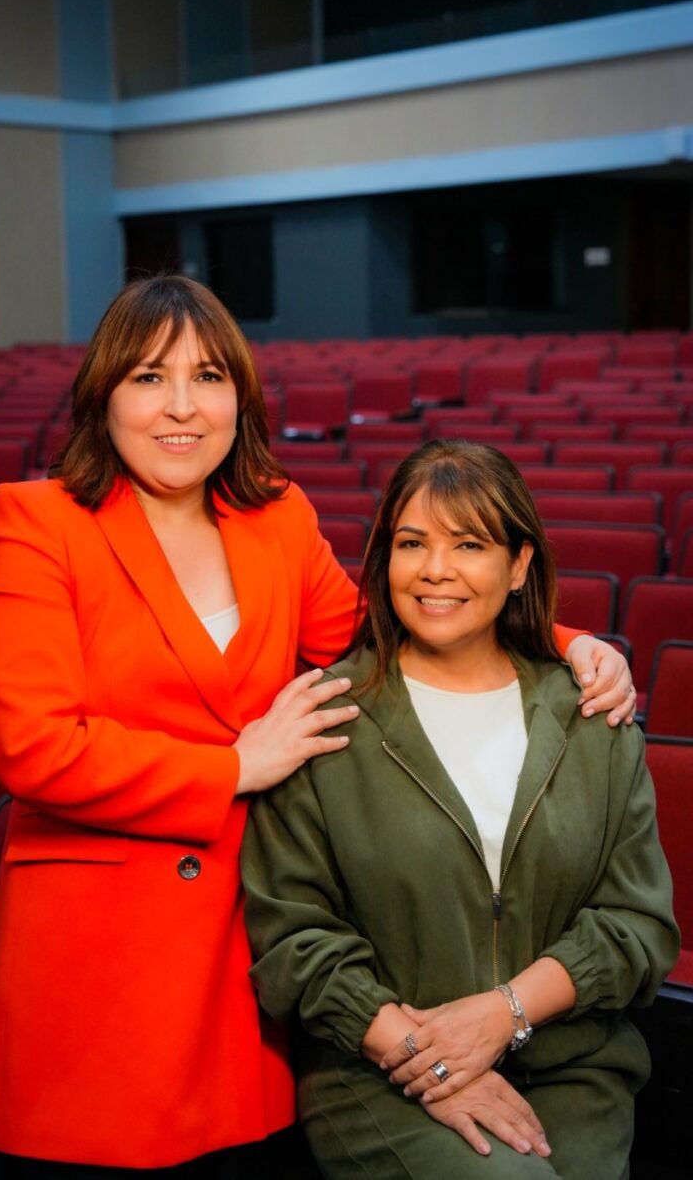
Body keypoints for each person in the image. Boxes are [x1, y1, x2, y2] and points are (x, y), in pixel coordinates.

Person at [0, 278, 637, 1177]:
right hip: (100, 956)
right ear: (103, 395)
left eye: (207, 377)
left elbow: (382, 633)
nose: (179, 406)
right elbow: (31, 745)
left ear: (238, 397)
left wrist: (567, 640)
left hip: (237, 947)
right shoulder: (37, 521)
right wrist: (234, 764)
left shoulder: (274, 516)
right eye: (146, 377)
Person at [243, 439, 679, 1180]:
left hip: (575, 1067)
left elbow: (638, 925)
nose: (435, 570)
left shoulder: (590, 716)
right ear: (383, 561)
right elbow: (294, 937)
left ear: (518, 566)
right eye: (411, 543)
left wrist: (503, 1012)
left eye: (468, 544)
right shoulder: (325, 718)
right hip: (381, 1071)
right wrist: (431, 1054)